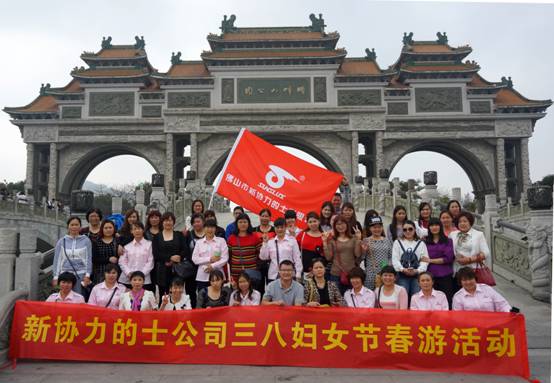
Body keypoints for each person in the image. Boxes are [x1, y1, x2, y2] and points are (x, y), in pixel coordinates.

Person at [152, 212, 188, 303]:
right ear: (162, 222)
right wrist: (170, 258)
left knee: (177, 294)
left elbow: (185, 250)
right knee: (163, 296)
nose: (168, 223)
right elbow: (156, 254)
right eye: (166, 220)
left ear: (173, 222)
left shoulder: (179, 235)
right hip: (162, 270)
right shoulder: (157, 237)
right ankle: (164, 315)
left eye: (170, 220)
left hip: (177, 270)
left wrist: (179, 256)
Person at [52, 216, 92, 295]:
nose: (74, 227)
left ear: (80, 226)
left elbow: (88, 259)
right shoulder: (62, 241)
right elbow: (57, 260)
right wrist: (56, 277)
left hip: (80, 275)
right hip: (65, 275)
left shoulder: (86, 240)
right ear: (68, 226)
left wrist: (87, 275)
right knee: (64, 299)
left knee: (79, 298)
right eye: (72, 225)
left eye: (76, 225)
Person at [323, 215, 363, 294]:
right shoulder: (332, 240)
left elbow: (357, 254)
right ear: (334, 226)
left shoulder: (353, 238)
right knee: (336, 299)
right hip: (335, 274)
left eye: (342, 224)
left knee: (351, 299)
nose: (340, 226)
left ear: (347, 225)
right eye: (338, 224)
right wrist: (324, 242)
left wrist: (358, 239)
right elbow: (328, 257)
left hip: (351, 275)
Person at [421, 218, 455, 306]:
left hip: (445, 275)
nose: (434, 227)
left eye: (436, 225)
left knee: (447, 300)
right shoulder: (424, 242)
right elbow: (421, 257)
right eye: (432, 225)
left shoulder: (448, 241)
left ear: (440, 226)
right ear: (429, 228)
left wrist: (430, 260)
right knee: (430, 301)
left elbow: (448, 258)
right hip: (429, 276)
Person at [391, 220, 429, 300]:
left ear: (415, 230)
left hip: (417, 276)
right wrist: (402, 269)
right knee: (402, 299)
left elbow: (424, 260)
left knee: (417, 299)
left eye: (410, 229)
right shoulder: (397, 242)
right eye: (405, 229)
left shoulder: (421, 243)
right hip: (402, 275)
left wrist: (417, 270)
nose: (408, 231)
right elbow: (395, 259)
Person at [259, 218, 302, 282]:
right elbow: (263, 257)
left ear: (285, 228)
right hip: (273, 275)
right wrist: (265, 243)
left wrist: (298, 273)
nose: (280, 229)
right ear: (275, 228)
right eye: (277, 227)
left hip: (289, 274)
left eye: (282, 227)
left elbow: (297, 258)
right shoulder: (271, 242)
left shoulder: (292, 241)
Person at [450, 211, 490, 279]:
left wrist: (469, 259)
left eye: (465, 221)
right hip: (457, 270)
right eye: (460, 222)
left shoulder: (478, 234)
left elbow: (486, 253)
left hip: (473, 270)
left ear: (470, 222)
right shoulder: (452, 234)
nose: (462, 223)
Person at [192, 218, 229, 291]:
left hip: (218, 277)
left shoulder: (221, 241)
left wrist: (212, 266)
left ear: (215, 229)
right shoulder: (199, 242)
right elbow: (195, 259)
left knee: (219, 299)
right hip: (202, 277)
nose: (210, 229)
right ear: (204, 228)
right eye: (207, 227)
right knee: (203, 299)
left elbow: (225, 258)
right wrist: (210, 259)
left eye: (212, 227)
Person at [118, 222, 154, 292]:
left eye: (139, 229)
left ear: (143, 230)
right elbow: (122, 261)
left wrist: (140, 275)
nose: (137, 231)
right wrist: (129, 273)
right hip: (127, 279)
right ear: (131, 231)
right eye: (134, 229)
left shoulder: (149, 245)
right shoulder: (127, 246)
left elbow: (150, 261)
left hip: (144, 280)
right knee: (127, 301)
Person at [227, 213, 262, 284]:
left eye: (245, 222)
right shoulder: (231, 238)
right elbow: (229, 255)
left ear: (248, 223)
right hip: (236, 273)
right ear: (236, 224)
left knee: (252, 293)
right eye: (240, 222)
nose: (243, 224)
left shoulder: (254, 237)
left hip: (251, 273)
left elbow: (260, 254)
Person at [361, 216, 392, 290]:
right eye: (374, 227)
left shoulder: (387, 240)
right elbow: (362, 257)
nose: (377, 229)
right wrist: (364, 250)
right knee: (370, 294)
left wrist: (388, 266)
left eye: (379, 227)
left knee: (383, 294)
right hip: (371, 273)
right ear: (370, 228)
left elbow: (390, 256)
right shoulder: (366, 240)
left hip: (384, 273)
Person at [183, 212, 205, 301]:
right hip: (191, 268)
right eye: (194, 222)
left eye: (198, 221)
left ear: (203, 222)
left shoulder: (207, 234)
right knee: (190, 292)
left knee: (203, 292)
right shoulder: (188, 234)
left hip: (204, 268)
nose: (196, 224)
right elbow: (185, 250)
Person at [91, 219, 120, 285]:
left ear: (114, 229)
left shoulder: (118, 241)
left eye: (110, 227)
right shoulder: (96, 242)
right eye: (106, 228)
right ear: (102, 229)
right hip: (100, 273)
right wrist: (108, 259)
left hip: (115, 273)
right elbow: (94, 259)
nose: (108, 230)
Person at [296, 212, 324, 277]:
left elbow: (325, 257)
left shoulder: (324, 236)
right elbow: (295, 252)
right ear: (307, 223)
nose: (313, 224)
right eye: (310, 222)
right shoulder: (302, 234)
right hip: (302, 271)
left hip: (318, 272)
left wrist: (314, 271)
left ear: (319, 221)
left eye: (315, 221)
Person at [254, 208, 275, 290]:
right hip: (258, 264)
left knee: (272, 287)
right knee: (259, 287)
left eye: (267, 216)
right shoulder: (254, 230)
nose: (264, 218)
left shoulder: (275, 230)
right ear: (259, 217)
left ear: (270, 218)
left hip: (272, 263)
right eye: (262, 216)